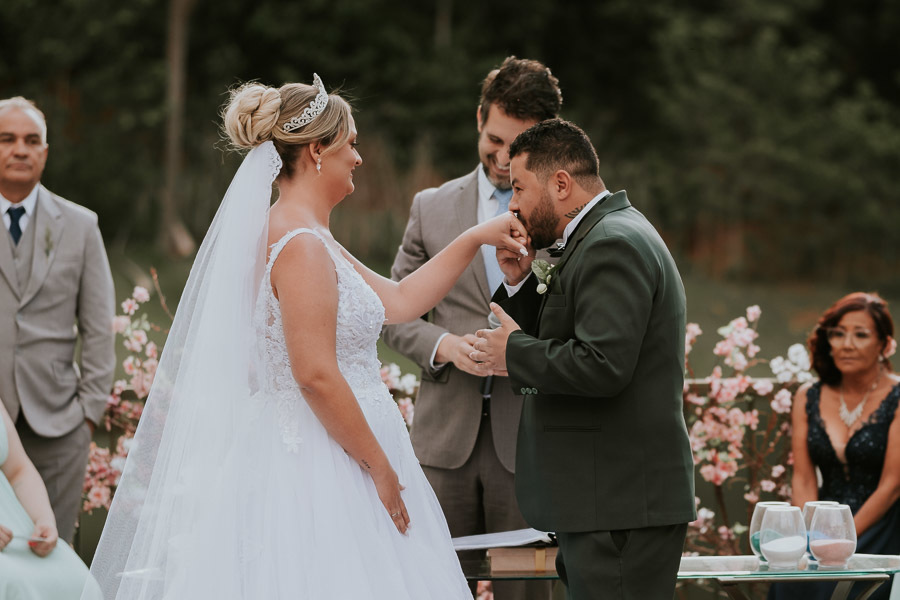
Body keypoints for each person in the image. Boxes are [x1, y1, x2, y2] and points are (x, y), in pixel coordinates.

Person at [87, 75, 530, 600]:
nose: (359, 159)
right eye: (351, 145)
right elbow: (315, 375)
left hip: (338, 448)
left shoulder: (308, 234)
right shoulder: (301, 245)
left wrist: (477, 234)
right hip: (325, 463)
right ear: (318, 151)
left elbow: (401, 301)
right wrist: (380, 467)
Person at [471, 119, 696, 600]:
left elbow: (603, 364)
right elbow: (570, 332)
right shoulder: (598, 237)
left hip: (619, 504)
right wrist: (521, 282)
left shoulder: (612, 243)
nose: (511, 204)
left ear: (560, 183)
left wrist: (512, 353)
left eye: (519, 187)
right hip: (605, 502)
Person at [382, 56, 560, 600]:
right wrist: (443, 346)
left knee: (525, 590)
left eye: (520, 144)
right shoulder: (430, 207)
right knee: (433, 585)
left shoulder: (563, 213)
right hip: (442, 441)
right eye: (495, 139)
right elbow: (392, 310)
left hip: (526, 438)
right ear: (479, 117)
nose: (505, 159)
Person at [0, 96, 115, 543]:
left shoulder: (80, 226)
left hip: (60, 427)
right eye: (7, 139)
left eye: (32, 140)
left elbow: (98, 327)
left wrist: (88, 416)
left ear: (45, 152)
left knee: (52, 549)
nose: (20, 149)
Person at [770, 292, 899, 600]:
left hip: (883, 523)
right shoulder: (808, 396)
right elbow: (802, 478)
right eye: (838, 334)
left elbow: (892, 485)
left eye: (861, 334)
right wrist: (808, 538)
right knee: (790, 583)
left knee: (852, 587)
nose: (847, 344)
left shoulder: (898, 396)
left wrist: (842, 539)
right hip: (820, 524)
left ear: (885, 345)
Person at [0, 399, 101, 599]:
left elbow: (18, 471)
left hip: (17, 534)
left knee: (77, 581)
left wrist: (43, 519)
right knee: (13, 582)